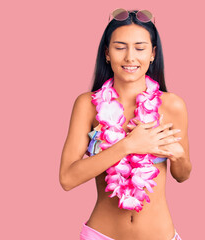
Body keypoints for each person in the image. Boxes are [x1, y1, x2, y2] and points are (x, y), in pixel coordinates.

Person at [59, 9, 191, 240]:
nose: (130, 57)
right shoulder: (86, 104)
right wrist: (128, 145)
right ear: (107, 53)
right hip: (102, 234)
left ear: (153, 54)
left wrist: (179, 157)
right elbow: (67, 179)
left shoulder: (173, 105)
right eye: (120, 47)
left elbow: (182, 175)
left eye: (140, 48)